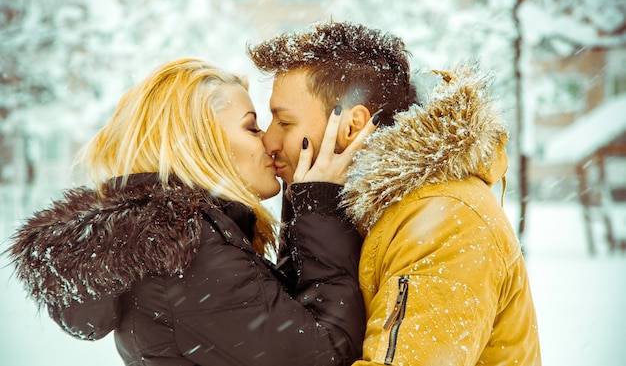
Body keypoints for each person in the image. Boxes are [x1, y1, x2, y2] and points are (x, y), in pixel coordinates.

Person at [7, 58, 378, 366]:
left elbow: (286, 317)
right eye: (252, 127)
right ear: (198, 141)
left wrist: (303, 200)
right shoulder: (190, 253)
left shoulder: (177, 242)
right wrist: (320, 206)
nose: (268, 140)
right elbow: (326, 356)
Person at [340, 64, 542, 365]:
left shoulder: (448, 221)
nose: (269, 140)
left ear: (351, 126)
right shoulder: (390, 211)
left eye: (284, 121)